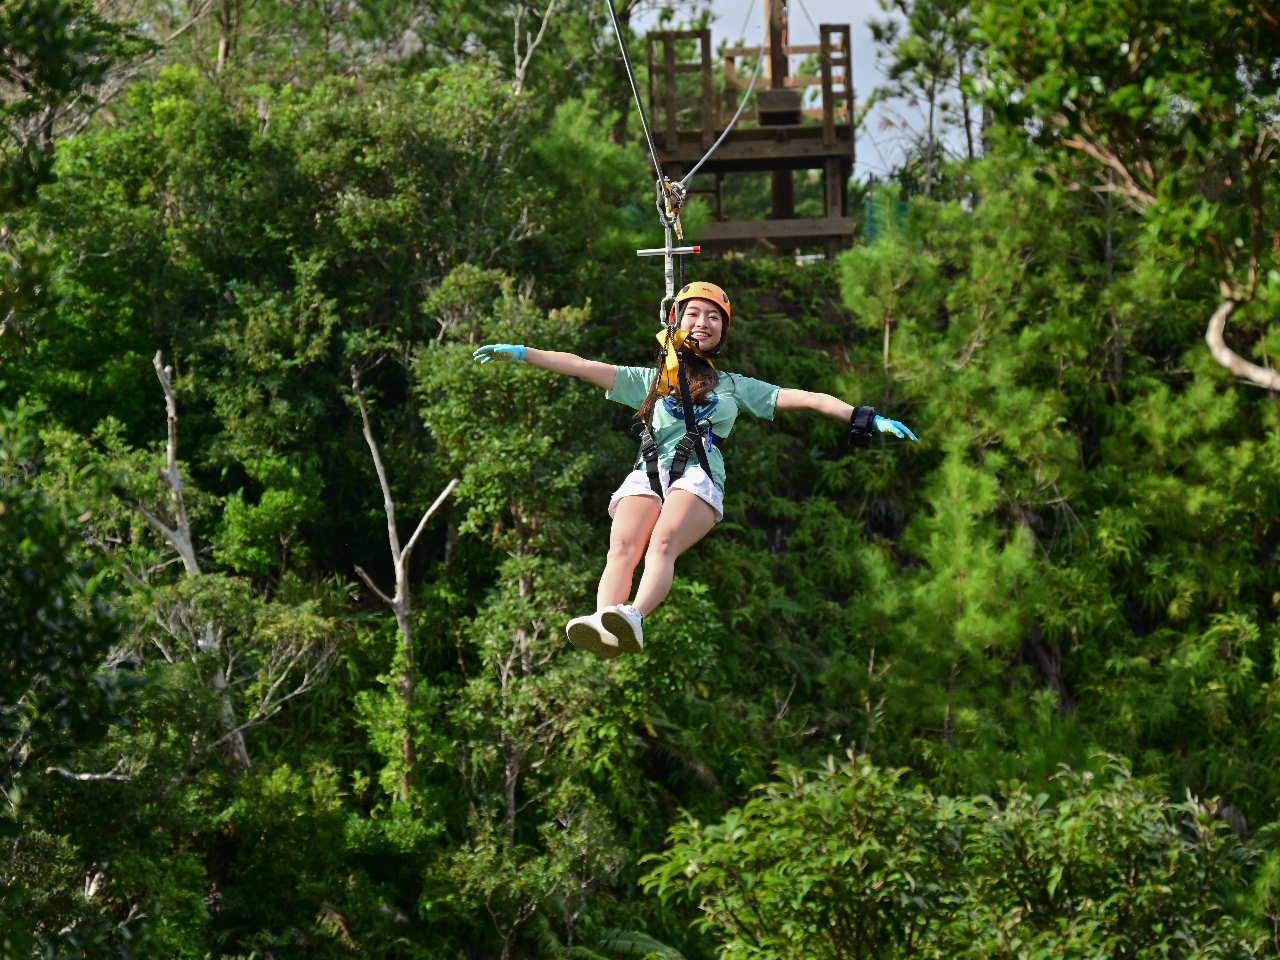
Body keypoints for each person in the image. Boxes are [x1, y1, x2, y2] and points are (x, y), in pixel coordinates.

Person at [473, 281, 918, 660]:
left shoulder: (734, 386)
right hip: (650, 470)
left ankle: (634, 616)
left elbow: (808, 398)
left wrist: (864, 417)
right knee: (621, 547)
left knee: (662, 542)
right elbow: (583, 366)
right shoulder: (650, 380)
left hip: (698, 474)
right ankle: (605, 622)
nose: (703, 322)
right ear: (676, 321)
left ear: (723, 330)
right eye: (693, 314)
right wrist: (523, 353)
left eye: (713, 317)